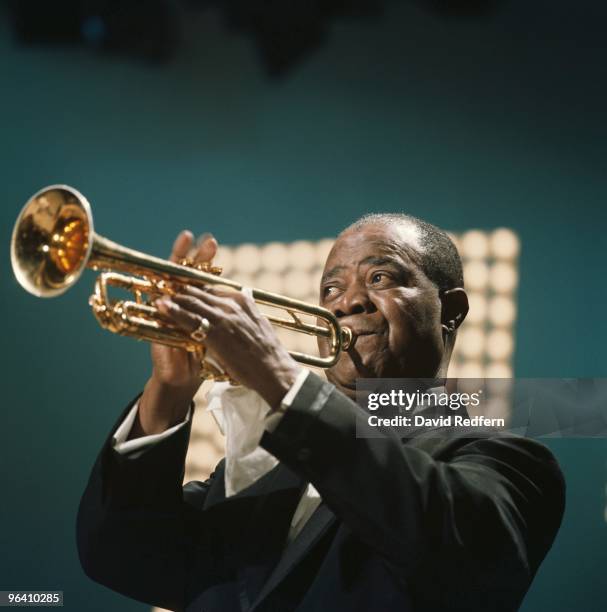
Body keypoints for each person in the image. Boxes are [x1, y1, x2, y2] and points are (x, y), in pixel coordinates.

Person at [77, 214, 565, 612]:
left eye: (380, 278)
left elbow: (460, 558)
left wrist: (282, 381)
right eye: (330, 290)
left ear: (450, 310)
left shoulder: (509, 461)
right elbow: (123, 556)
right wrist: (168, 391)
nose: (348, 302)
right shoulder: (263, 472)